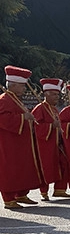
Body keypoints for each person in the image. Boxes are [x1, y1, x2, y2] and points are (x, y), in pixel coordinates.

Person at [0, 66, 45, 208]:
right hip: (9, 143)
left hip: (20, 143)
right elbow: (3, 118)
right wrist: (23, 117)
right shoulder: (4, 99)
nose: (24, 89)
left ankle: (21, 194)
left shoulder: (15, 99)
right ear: (13, 85)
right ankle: (8, 199)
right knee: (10, 169)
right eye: (22, 86)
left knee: (22, 168)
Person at [31, 78, 70, 201]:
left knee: (64, 163)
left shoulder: (53, 109)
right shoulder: (39, 108)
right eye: (53, 94)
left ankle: (60, 189)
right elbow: (35, 127)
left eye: (57, 94)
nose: (56, 97)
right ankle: (44, 192)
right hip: (45, 144)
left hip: (57, 143)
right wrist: (51, 126)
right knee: (46, 167)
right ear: (45, 94)